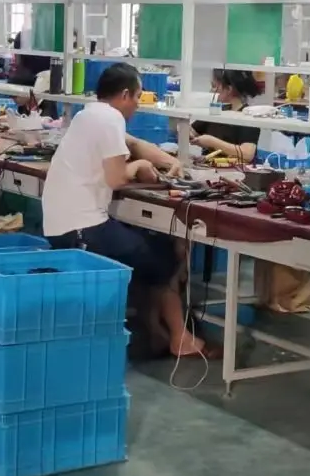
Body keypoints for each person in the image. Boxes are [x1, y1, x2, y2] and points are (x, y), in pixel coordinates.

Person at [43, 62, 210, 359]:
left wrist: (169, 162)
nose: (137, 105)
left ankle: (155, 330)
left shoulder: (88, 115)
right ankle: (177, 337)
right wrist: (140, 166)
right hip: (82, 229)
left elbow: (133, 143)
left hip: (60, 225)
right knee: (165, 257)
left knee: (145, 248)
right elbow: (117, 179)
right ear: (124, 95)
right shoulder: (110, 119)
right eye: (137, 97)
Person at [188, 69, 261, 163]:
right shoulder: (216, 112)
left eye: (214, 86)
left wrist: (212, 142)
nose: (211, 91)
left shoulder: (248, 117)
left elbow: (247, 154)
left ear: (229, 90)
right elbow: (192, 131)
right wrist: (187, 133)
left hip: (235, 170)